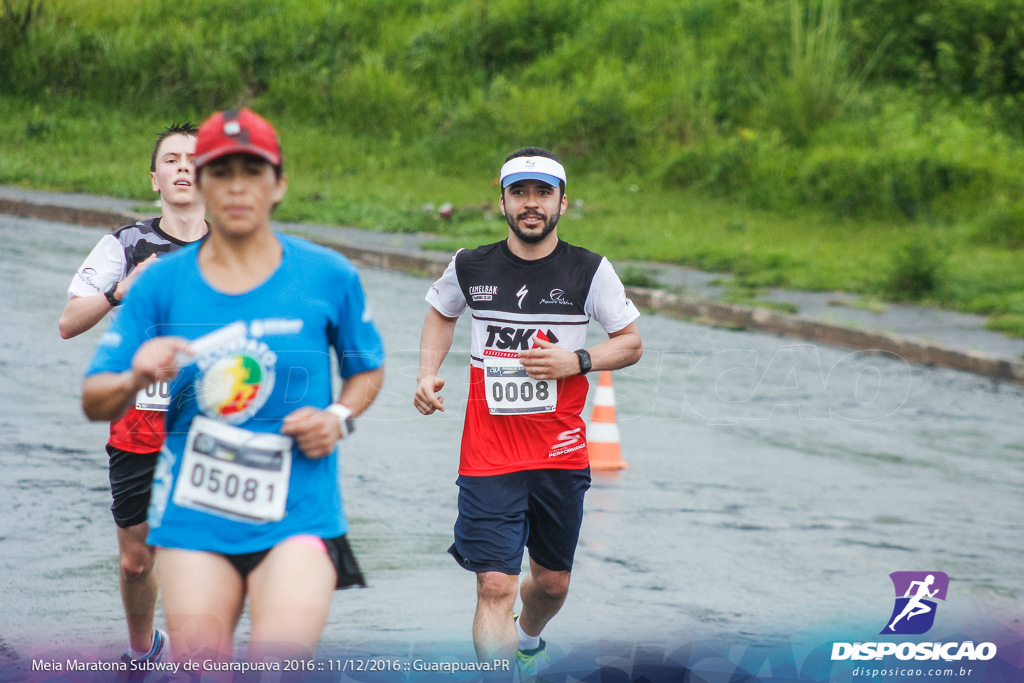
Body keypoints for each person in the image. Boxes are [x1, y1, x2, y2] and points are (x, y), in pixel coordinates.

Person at [81, 108, 386, 663]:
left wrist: (337, 418)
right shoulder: (159, 281)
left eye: (254, 170)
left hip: (299, 512)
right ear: (202, 184)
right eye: (221, 172)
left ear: (279, 185)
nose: (238, 186)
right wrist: (134, 373)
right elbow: (94, 396)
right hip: (194, 515)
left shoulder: (329, 275)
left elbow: (367, 369)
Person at [414, 147, 643, 677]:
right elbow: (440, 312)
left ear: (563, 202)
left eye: (543, 193)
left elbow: (630, 343)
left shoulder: (590, 270)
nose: (531, 205)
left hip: (559, 454)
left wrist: (576, 360)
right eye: (520, 193)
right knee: (494, 583)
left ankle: (529, 638)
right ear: (502, 201)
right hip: (488, 454)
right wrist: (427, 373)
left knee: (551, 584)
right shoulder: (471, 264)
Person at [59, 123, 208, 664]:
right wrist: (121, 291)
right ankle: (144, 652)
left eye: (194, 159)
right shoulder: (125, 244)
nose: (183, 167)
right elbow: (69, 322)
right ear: (155, 179)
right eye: (171, 160)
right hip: (138, 423)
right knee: (137, 561)